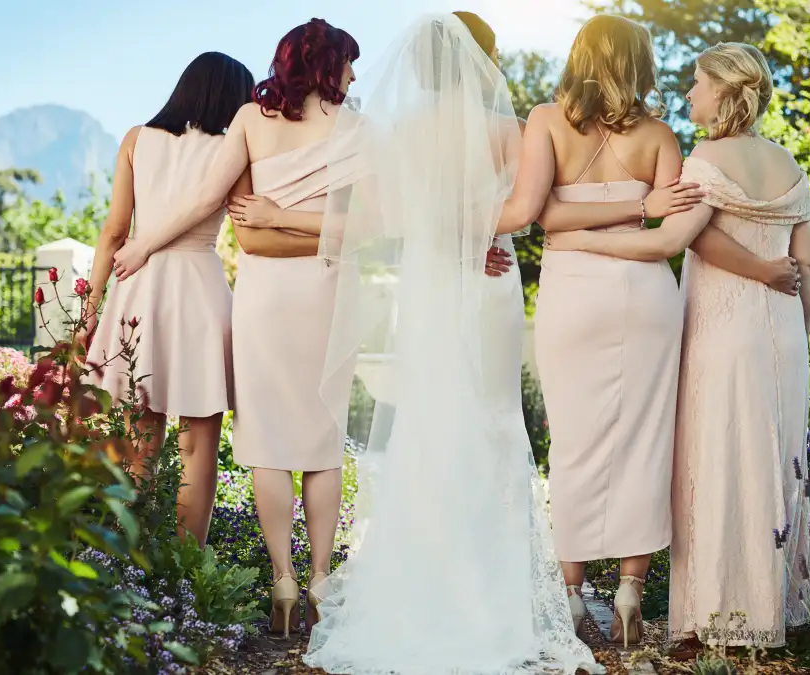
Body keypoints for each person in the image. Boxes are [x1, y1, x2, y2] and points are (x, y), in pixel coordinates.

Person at [299, 13, 603, 674]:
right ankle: (492, 598)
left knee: (431, 424)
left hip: (432, 283)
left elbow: (378, 218)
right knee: (491, 422)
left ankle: (425, 592)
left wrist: (444, 236)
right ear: (482, 59)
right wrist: (474, 238)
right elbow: (522, 213)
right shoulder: (506, 130)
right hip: (486, 281)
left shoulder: (397, 132)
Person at [546, 41, 810, 652]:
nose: (689, 93)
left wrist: (580, 242)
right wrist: (797, 329)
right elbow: (804, 264)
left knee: (714, 464)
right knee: (776, 467)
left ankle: (712, 622)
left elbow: (669, 244)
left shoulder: (706, 161)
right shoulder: (790, 164)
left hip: (724, 331)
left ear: (724, 91)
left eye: (697, 83)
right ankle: (775, 613)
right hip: (784, 335)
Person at [111, 18, 361, 638]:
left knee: (255, 441)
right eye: (350, 65)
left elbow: (199, 206)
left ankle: (268, 581)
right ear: (330, 67)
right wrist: (306, 221)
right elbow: (368, 223)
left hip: (241, 295)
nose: (355, 77)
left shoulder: (244, 121)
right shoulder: (356, 128)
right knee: (310, 441)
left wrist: (138, 251)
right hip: (304, 290)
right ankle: (316, 581)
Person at [81, 51, 254, 546]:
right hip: (200, 290)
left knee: (141, 440)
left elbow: (114, 232)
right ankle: (187, 568)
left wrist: (91, 305)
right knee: (199, 446)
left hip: (141, 286)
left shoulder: (137, 140)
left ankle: (130, 562)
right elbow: (247, 236)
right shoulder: (233, 150)